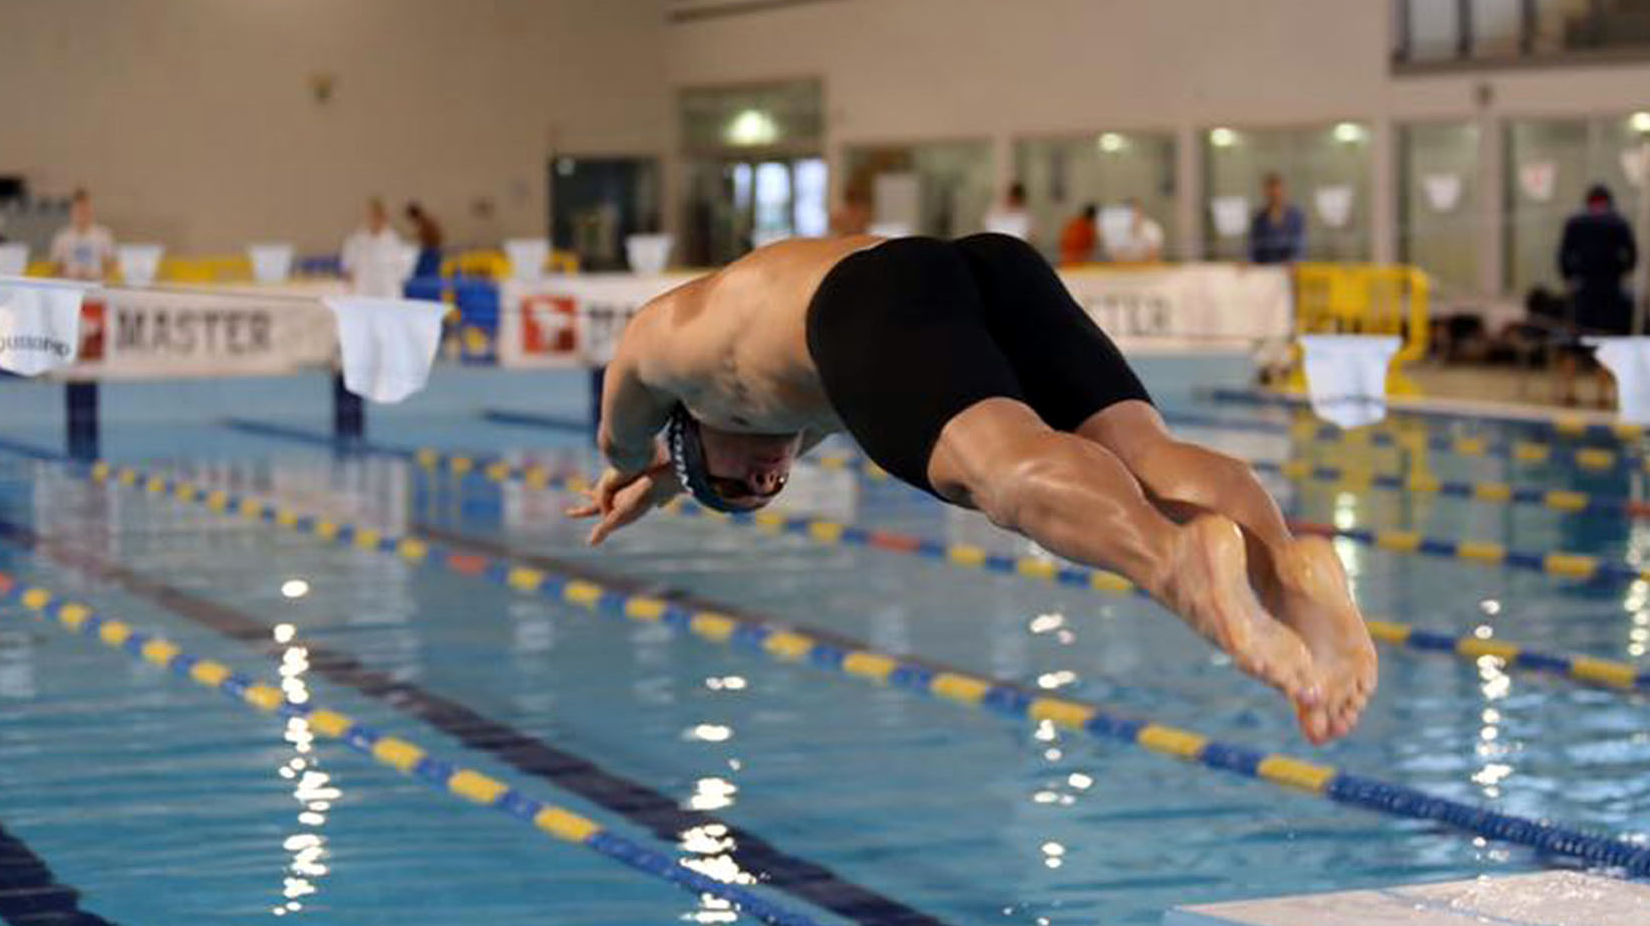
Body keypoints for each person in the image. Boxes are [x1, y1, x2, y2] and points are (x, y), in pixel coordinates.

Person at [568, 234, 1376, 744]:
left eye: (734, 480)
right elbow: (809, 404)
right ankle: (1289, 566)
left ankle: (1175, 560)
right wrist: (681, 479)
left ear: (692, 427)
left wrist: (635, 471)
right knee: (1141, 449)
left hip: (867, 300)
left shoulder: (660, 348)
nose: (766, 478)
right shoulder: (781, 387)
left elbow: (618, 432)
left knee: (1004, 472)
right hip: (984, 264)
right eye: (764, 491)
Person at [1554, 183, 1638, 408]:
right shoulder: (1618, 222)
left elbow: (1562, 255)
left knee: (1573, 342)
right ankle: (1603, 396)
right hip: (1610, 288)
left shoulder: (1576, 222)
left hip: (1583, 288)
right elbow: (1632, 255)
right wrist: (1619, 272)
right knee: (1607, 341)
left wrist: (1570, 277)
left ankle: (1569, 393)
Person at [340, 198, 413, 297]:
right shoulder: (356, 240)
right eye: (371, 216)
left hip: (388, 293)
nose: (374, 220)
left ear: (384, 218)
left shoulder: (394, 241)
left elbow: (402, 270)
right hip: (364, 292)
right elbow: (348, 267)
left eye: (378, 216)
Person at [49, 188, 116, 280]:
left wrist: (99, 277)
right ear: (72, 211)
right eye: (79, 210)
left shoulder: (103, 235)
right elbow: (56, 267)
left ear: (91, 210)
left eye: (85, 209)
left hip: (95, 285)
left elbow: (110, 265)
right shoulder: (62, 237)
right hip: (70, 285)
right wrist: (69, 275)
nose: (82, 214)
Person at [1248, 173, 1305, 265]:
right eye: (1271, 192)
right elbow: (1254, 247)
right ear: (1265, 193)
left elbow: (1299, 244)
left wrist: (1295, 261)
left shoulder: (1295, 216)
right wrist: (1249, 262)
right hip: (1265, 268)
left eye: (1277, 191)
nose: (1274, 195)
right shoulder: (1259, 218)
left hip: (1288, 268)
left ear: (1283, 191)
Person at [1105, 198, 1164, 263]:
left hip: (1147, 268)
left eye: (1135, 211)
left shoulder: (1152, 228)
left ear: (1141, 212)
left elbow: (1153, 255)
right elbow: (1116, 257)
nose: (1133, 215)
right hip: (1123, 268)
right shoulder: (1115, 230)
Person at [403, 201, 444, 279]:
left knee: (428, 275)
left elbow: (430, 237)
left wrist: (418, 238)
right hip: (432, 251)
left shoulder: (424, 223)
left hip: (431, 252)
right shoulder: (424, 222)